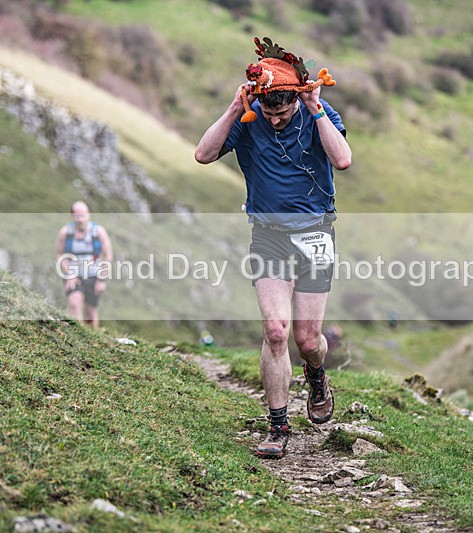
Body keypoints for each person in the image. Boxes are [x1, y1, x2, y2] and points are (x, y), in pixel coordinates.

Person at [195, 37, 351, 459]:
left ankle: (316, 375)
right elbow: (203, 154)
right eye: (270, 113)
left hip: (316, 234)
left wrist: (316, 109)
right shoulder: (248, 118)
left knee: (308, 339)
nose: (276, 120)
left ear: (296, 100)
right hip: (268, 235)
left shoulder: (318, 112)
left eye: (283, 113)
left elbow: (342, 160)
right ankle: (278, 426)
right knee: (276, 331)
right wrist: (235, 108)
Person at [54, 201, 112, 329]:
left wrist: (101, 279)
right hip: (74, 275)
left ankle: (94, 337)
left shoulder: (98, 232)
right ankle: (79, 334)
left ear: (89, 214)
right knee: (74, 304)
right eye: (77, 215)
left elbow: (107, 255)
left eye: (83, 215)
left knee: (91, 313)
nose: (80, 219)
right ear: (72, 216)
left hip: (93, 275)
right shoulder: (65, 232)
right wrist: (69, 273)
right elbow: (59, 255)